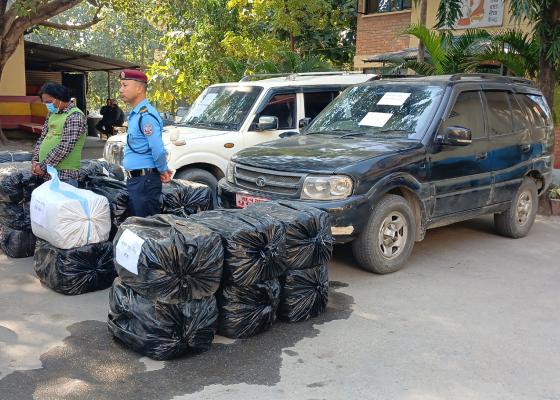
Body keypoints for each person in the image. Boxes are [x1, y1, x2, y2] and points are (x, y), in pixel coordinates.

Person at [119, 69, 172, 217]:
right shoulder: (136, 114)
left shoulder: (146, 115)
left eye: (124, 85)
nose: (120, 90)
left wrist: (162, 170)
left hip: (144, 182)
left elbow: (158, 149)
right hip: (139, 181)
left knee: (146, 227)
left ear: (139, 88)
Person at [32, 82, 87, 187]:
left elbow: (64, 147)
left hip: (64, 176)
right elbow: (42, 139)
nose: (48, 106)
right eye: (45, 103)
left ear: (60, 98)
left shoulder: (75, 116)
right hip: (47, 173)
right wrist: (35, 161)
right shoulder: (52, 114)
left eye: (49, 102)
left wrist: (42, 166)